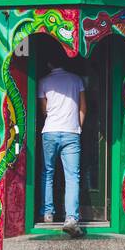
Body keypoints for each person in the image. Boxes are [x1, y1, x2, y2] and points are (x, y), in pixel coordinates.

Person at [38, 53, 87, 238]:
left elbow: (44, 110)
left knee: (48, 172)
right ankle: (71, 219)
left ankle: (48, 213)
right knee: (72, 176)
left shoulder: (43, 82)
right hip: (71, 132)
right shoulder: (77, 80)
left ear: (50, 63)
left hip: (50, 131)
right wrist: (78, 127)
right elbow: (83, 107)